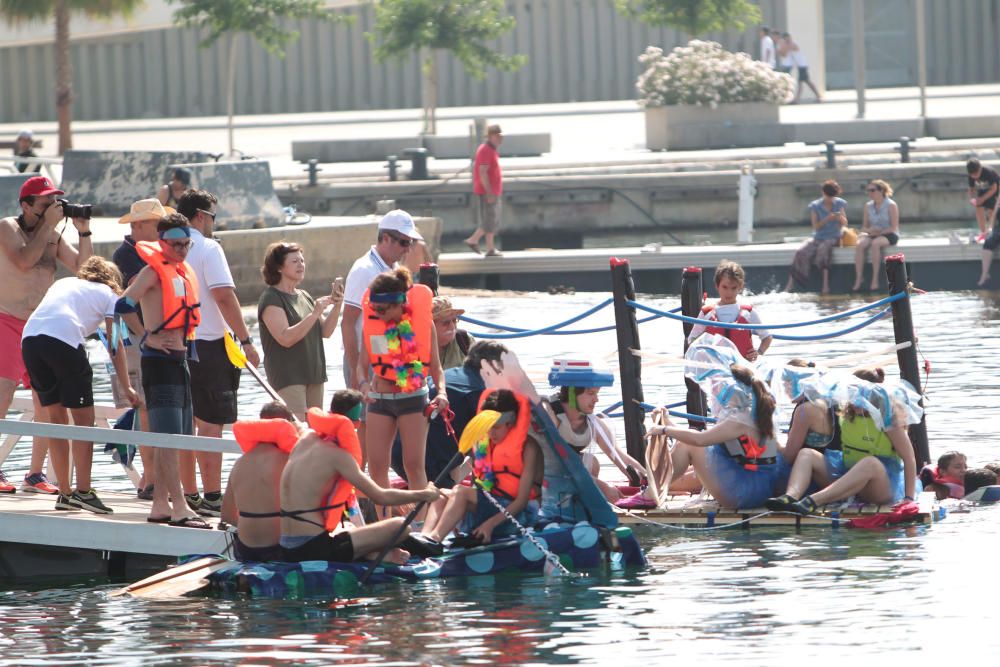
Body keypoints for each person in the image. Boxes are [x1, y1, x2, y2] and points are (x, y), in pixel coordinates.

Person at [21, 257, 139, 512]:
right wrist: (127, 386)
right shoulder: (109, 294)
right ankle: (83, 492)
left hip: (30, 340)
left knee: (57, 420)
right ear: (112, 280)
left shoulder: (65, 283)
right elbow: (115, 342)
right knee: (84, 423)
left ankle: (65, 492)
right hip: (62, 339)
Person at [0, 175, 94, 494]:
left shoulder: (52, 234)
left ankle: (35, 473)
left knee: (47, 401)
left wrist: (84, 231)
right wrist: (47, 227)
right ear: (26, 205)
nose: (53, 208)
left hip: (39, 326)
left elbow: (85, 269)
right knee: (3, 395)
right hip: (6, 320)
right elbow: (25, 260)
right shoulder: (7, 227)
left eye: (56, 202)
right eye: (45, 203)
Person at [117, 212, 208, 528]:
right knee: (167, 439)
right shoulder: (151, 273)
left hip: (179, 362)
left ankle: (160, 506)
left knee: (180, 437)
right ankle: (179, 507)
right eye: (175, 244)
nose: (182, 250)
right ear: (162, 242)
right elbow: (123, 305)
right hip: (157, 364)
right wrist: (147, 335)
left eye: (186, 244)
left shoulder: (182, 273)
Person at [279, 389, 443, 564]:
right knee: (399, 526)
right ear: (356, 424)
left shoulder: (305, 438)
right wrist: (425, 494)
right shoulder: (339, 456)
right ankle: (379, 555)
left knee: (350, 527)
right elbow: (381, 496)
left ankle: (373, 553)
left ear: (330, 413)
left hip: (284, 545)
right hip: (313, 549)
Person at [176, 188, 260, 517]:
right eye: (213, 217)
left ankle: (190, 492)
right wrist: (247, 340)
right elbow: (224, 296)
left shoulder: (169, 247)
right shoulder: (208, 248)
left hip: (175, 344)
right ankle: (212, 495)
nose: (214, 224)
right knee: (211, 426)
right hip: (209, 344)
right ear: (200, 216)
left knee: (186, 423)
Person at [357, 267, 447, 519]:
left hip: (413, 398)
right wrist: (363, 385)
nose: (379, 314)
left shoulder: (422, 324)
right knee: (376, 467)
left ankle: (420, 526)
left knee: (413, 465)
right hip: (380, 399)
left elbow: (437, 368)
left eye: (383, 310)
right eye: (375, 309)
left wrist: (441, 393)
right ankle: (386, 525)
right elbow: (361, 367)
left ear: (400, 304)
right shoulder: (373, 324)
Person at [766, 368, 919, 515]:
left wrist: (909, 498)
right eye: (853, 395)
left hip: (880, 484)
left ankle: (813, 501)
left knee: (870, 463)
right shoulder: (846, 413)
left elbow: (909, 458)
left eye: (862, 396)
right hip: (847, 475)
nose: (856, 402)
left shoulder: (888, 419)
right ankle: (790, 497)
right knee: (806, 454)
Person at [652, 362, 788, 509]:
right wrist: (667, 421)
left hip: (742, 493)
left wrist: (664, 430)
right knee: (688, 442)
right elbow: (710, 437)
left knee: (687, 444)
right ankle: (654, 488)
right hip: (759, 488)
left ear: (734, 389)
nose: (717, 391)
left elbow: (699, 440)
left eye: (721, 386)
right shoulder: (754, 412)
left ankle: (650, 494)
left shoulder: (739, 420)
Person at [113, 199, 175, 500]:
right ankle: (150, 480)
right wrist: (145, 335)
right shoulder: (127, 255)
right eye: (136, 223)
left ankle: (157, 481)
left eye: (144, 223)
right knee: (145, 410)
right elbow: (125, 303)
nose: (137, 228)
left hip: (162, 343)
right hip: (137, 342)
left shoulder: (164, 253)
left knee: (157, 410)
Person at [423, 389, 542, 545]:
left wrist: (489, 525)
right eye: (488, 427)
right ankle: (425, 537)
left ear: (510, 422)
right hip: (492, 505)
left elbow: (521, 502)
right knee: (441, 494)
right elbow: (478, 486)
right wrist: (454, 512)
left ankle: (435, 539)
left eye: (496, 427)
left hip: (520, 516)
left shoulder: (529, 448)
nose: (491, 432)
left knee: (460, 491)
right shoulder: (485, 444)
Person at [390, 340, 509, 490]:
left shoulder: (450, 374)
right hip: (425, 463)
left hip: (395, 450)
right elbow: (485, 449)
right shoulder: (479, 392)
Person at [258, 241, 343, 419]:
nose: (301, 265)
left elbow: (326, 332)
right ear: (279, 267)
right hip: (289, 376)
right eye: (295, 261)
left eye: (302, 261)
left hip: (314, 374)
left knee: (315, 429)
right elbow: (285, 338)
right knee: (297, 428)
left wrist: (337, 305)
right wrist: (314, 313)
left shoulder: (304, 296)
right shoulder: (271, 298)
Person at [342, 210, 420, 392]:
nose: (407, 249)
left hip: (392, 353)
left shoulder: (395, 268)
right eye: (404, 242)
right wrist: (356, 370)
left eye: (410, 243)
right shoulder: (364, 270)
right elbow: (347, 323)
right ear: (386, 238)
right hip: (366, 357)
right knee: (366, 418)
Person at [547, 360, 643, 502]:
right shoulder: (549, 414)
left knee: (592, 463)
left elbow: (619, 457)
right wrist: (603, 487)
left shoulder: (594, 424)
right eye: (591, 393)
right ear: (572, 393)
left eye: (597, 393)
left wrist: (647, 479)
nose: (596, 399)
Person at [221, 401, 298, 562]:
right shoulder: (288, 460)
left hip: (244, 550)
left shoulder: (240, 463)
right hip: (278, 549)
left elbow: (226, 515)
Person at [689, 260, 772, 361]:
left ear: (740, 287)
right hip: (715, 369)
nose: (729, 292)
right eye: (725, 287)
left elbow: (767, 338)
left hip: (743, 369)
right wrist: (702, 353)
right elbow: (692, 340)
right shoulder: (706, 313)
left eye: (733, 288)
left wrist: (759, 353)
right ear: (717, 286)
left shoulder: (749, 313)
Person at [786, 179, 848, 295]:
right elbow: (816, 227)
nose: (831, 199)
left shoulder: (839, 203)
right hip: (819, 236)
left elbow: (845, 223)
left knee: (823, 250)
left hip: (833, 236)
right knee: (801, 252)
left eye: (833, 196)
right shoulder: (815, 206)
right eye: (829, 196)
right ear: (823, 193)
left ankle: (825, 285)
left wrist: (840, 218)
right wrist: (827, 219)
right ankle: (791, 284)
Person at [851, 179, 900, 292]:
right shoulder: (868, 206)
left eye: (872, 190)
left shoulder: (891, 205)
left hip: (889, 234)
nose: (870, 193)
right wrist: (869, 231)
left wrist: (879, 232)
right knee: (860, 244)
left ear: (881, 190)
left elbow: (894, 227)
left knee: (875, 244)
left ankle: (875, 279)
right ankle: (859, 278)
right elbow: (864, 227)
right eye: (868, 191)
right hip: (873, 233)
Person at [464, 124, 504, 257]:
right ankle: (474, 240)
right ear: (491, 136)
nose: (500, 139)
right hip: (488, 192)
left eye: (501, 136)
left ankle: (489, 247)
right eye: (498, 136)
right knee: (490, 220)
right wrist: (489, 192)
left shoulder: (491, 150)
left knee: (491, 219)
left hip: (492, 191)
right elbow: (483, 172)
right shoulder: (486, 150)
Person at [433, 296, 473, 370]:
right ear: (431, 326)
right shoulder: (415, 348)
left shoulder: (465, 339)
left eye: (454, 321)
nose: (452, 326)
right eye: (446, 323)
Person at [786, 33, 822, 103]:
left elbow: (789, 47)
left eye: (787, 38)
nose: (787, 40)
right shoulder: (790, 45)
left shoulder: (793, 44)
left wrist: (782, 43)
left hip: (802, 66)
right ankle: (798, 99)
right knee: (804, 82)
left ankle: (798, 99)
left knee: (805, 82)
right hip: (800, 66)